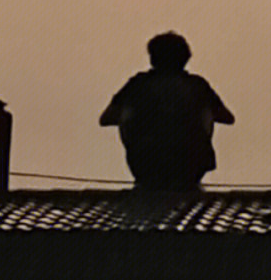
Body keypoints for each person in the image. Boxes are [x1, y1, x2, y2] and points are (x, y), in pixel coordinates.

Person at [100, 32, 234, 190]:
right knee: (206, 110)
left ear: (152, 59)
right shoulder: (196, 86)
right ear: (185, 58)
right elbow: (226, 117)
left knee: (126, 111)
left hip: (146, 164)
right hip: (191, 165)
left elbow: (108, 117)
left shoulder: (138, 85)